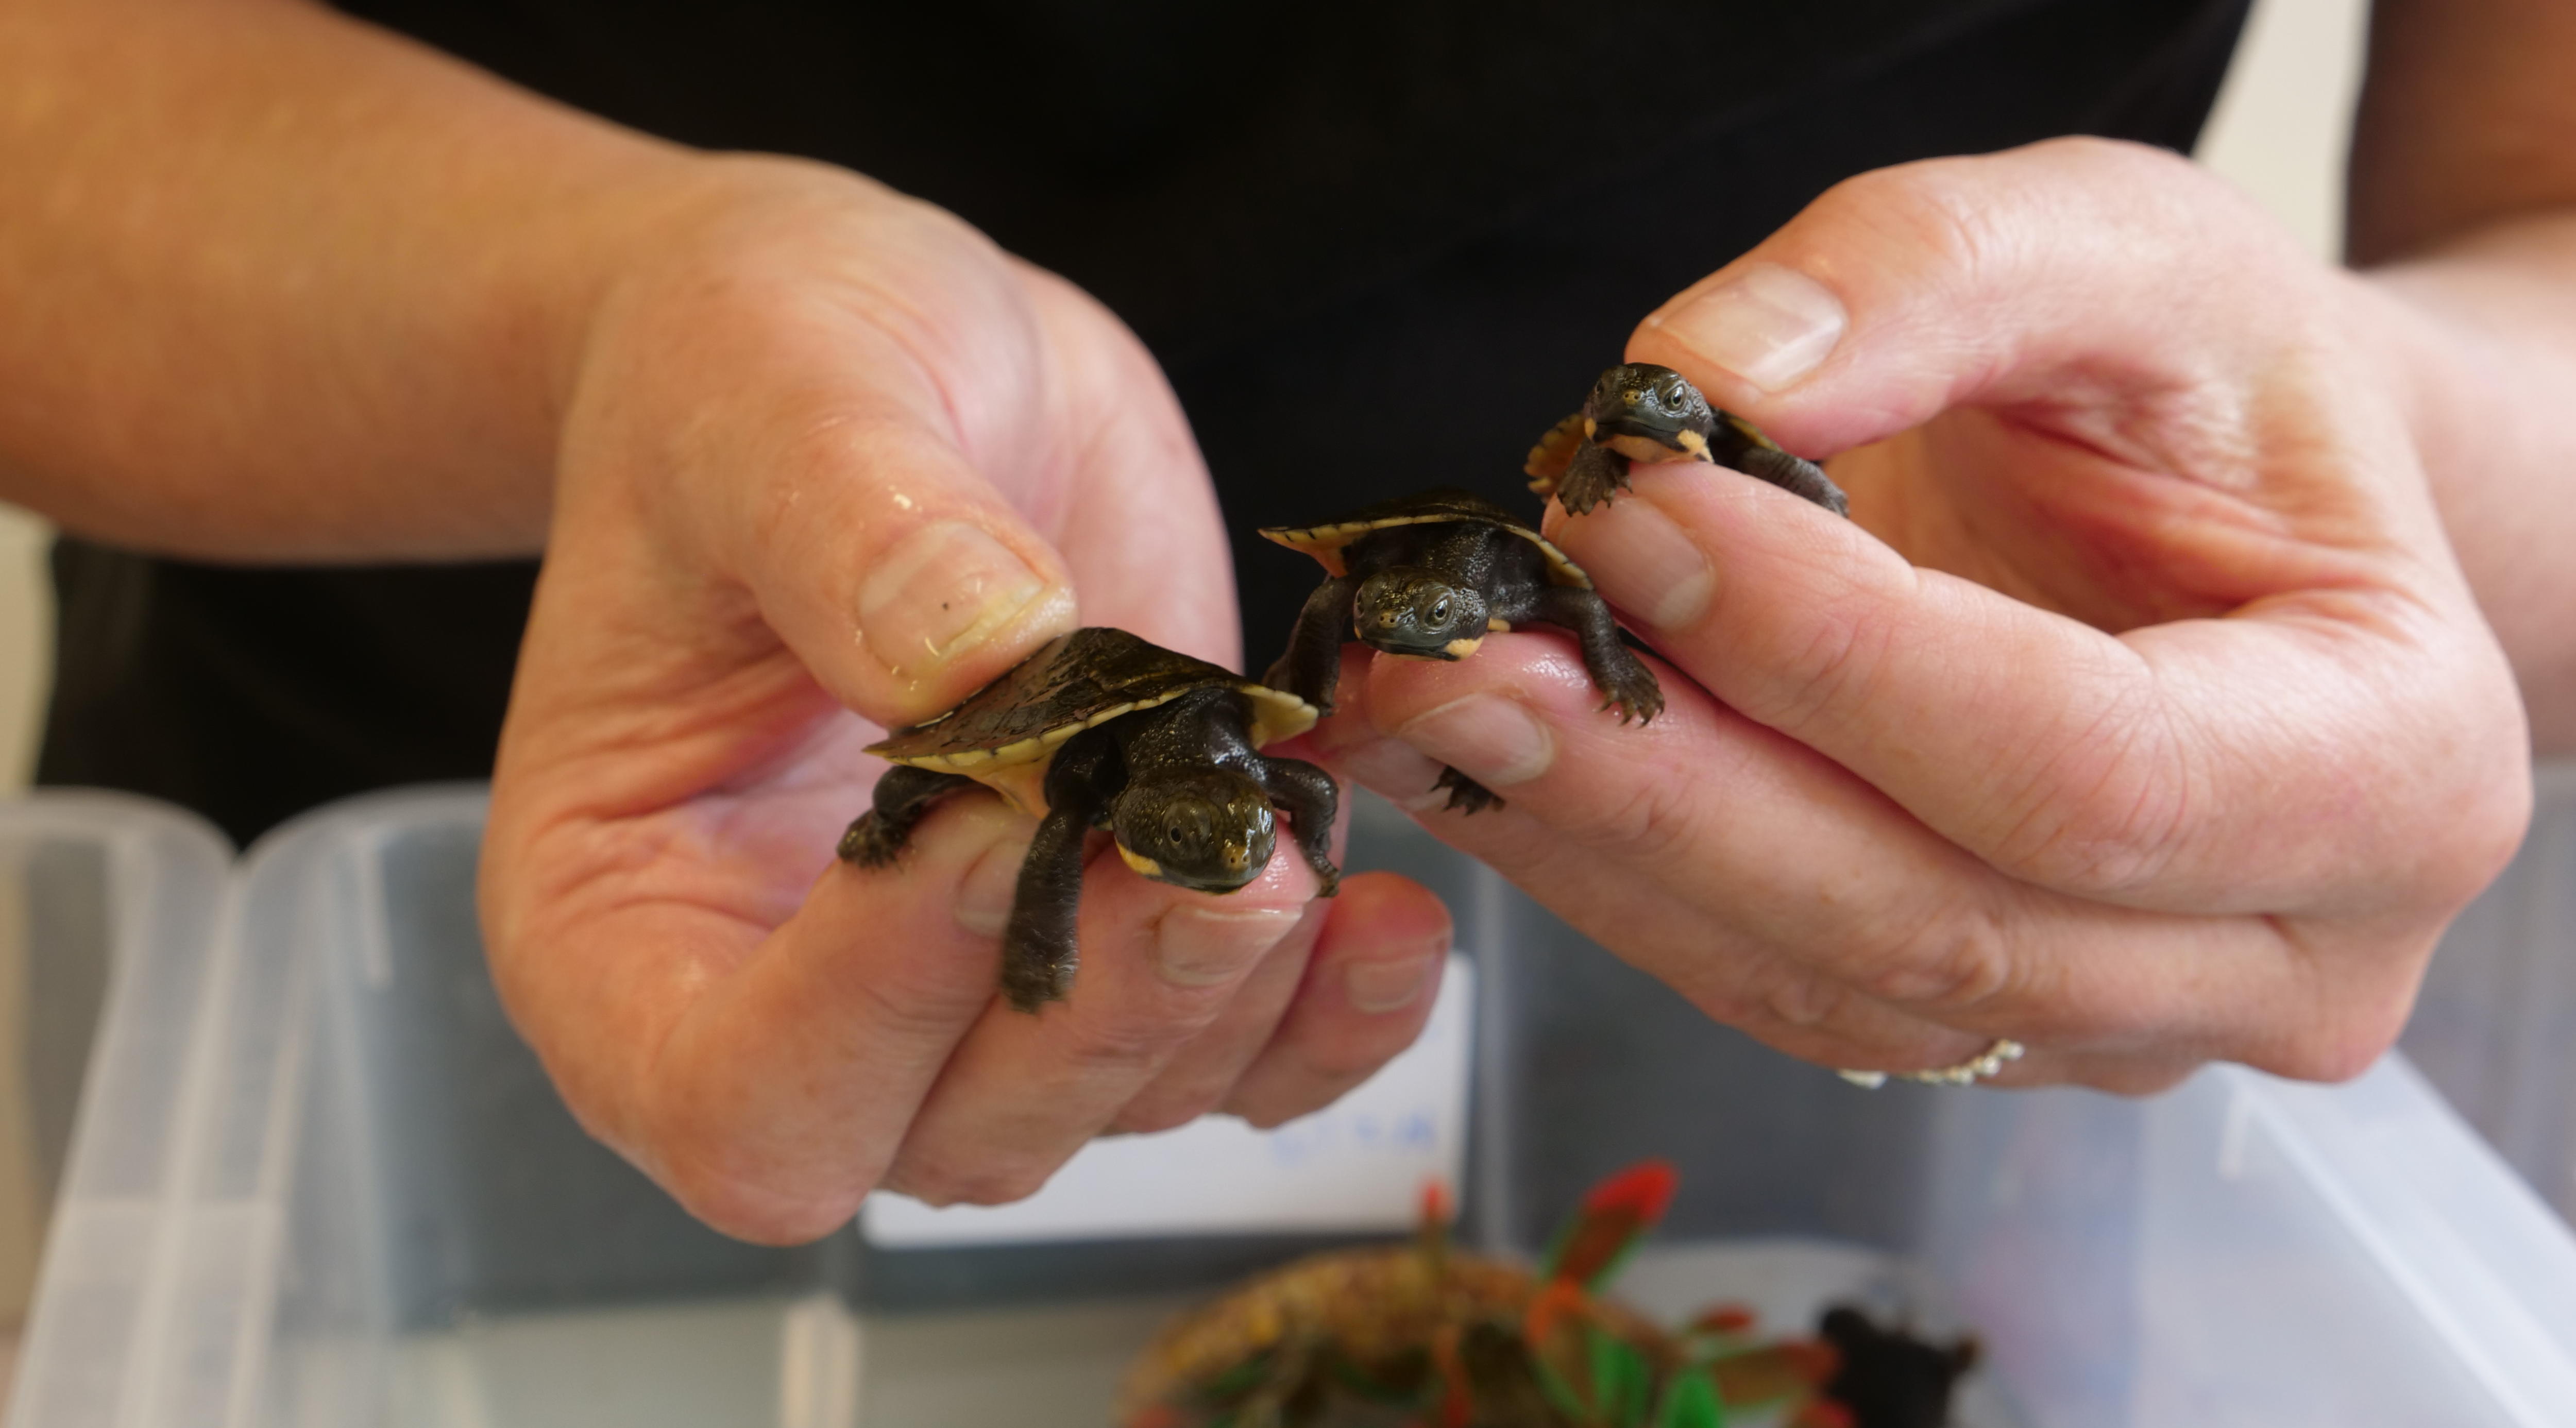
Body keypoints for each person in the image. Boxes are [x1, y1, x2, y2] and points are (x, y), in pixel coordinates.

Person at [0, 0, 2556, 1244]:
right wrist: (591, 316)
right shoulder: (1163, 755)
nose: (1201, 808)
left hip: (1860, 965)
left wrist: (2377, 465)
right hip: (462, 851)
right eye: (1204, 789)